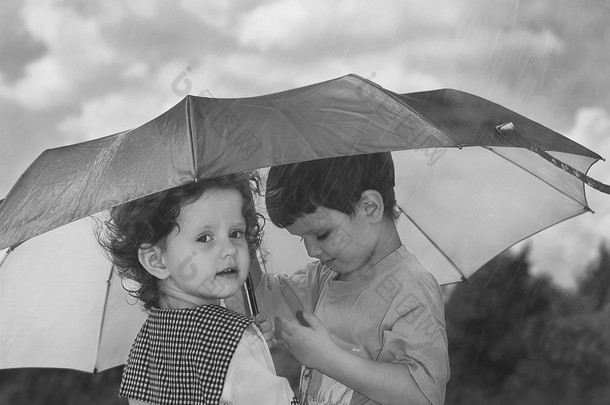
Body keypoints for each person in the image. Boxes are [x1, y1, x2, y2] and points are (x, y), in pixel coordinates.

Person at [253, 153, 450, 405]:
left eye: (322, 234)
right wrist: (241, 226)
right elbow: (260, 305)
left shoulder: (410, 288)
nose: (311, 251)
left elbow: (422, 395)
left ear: (370, 207)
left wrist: (326, 357)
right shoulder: (322, 279)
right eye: (303, 239)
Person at [98, 171, 298, 405]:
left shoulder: (147, 341)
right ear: (156, 260)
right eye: (205, 238)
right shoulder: (231, 338)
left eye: (236, 233)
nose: (230, 249)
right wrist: (247, 346)